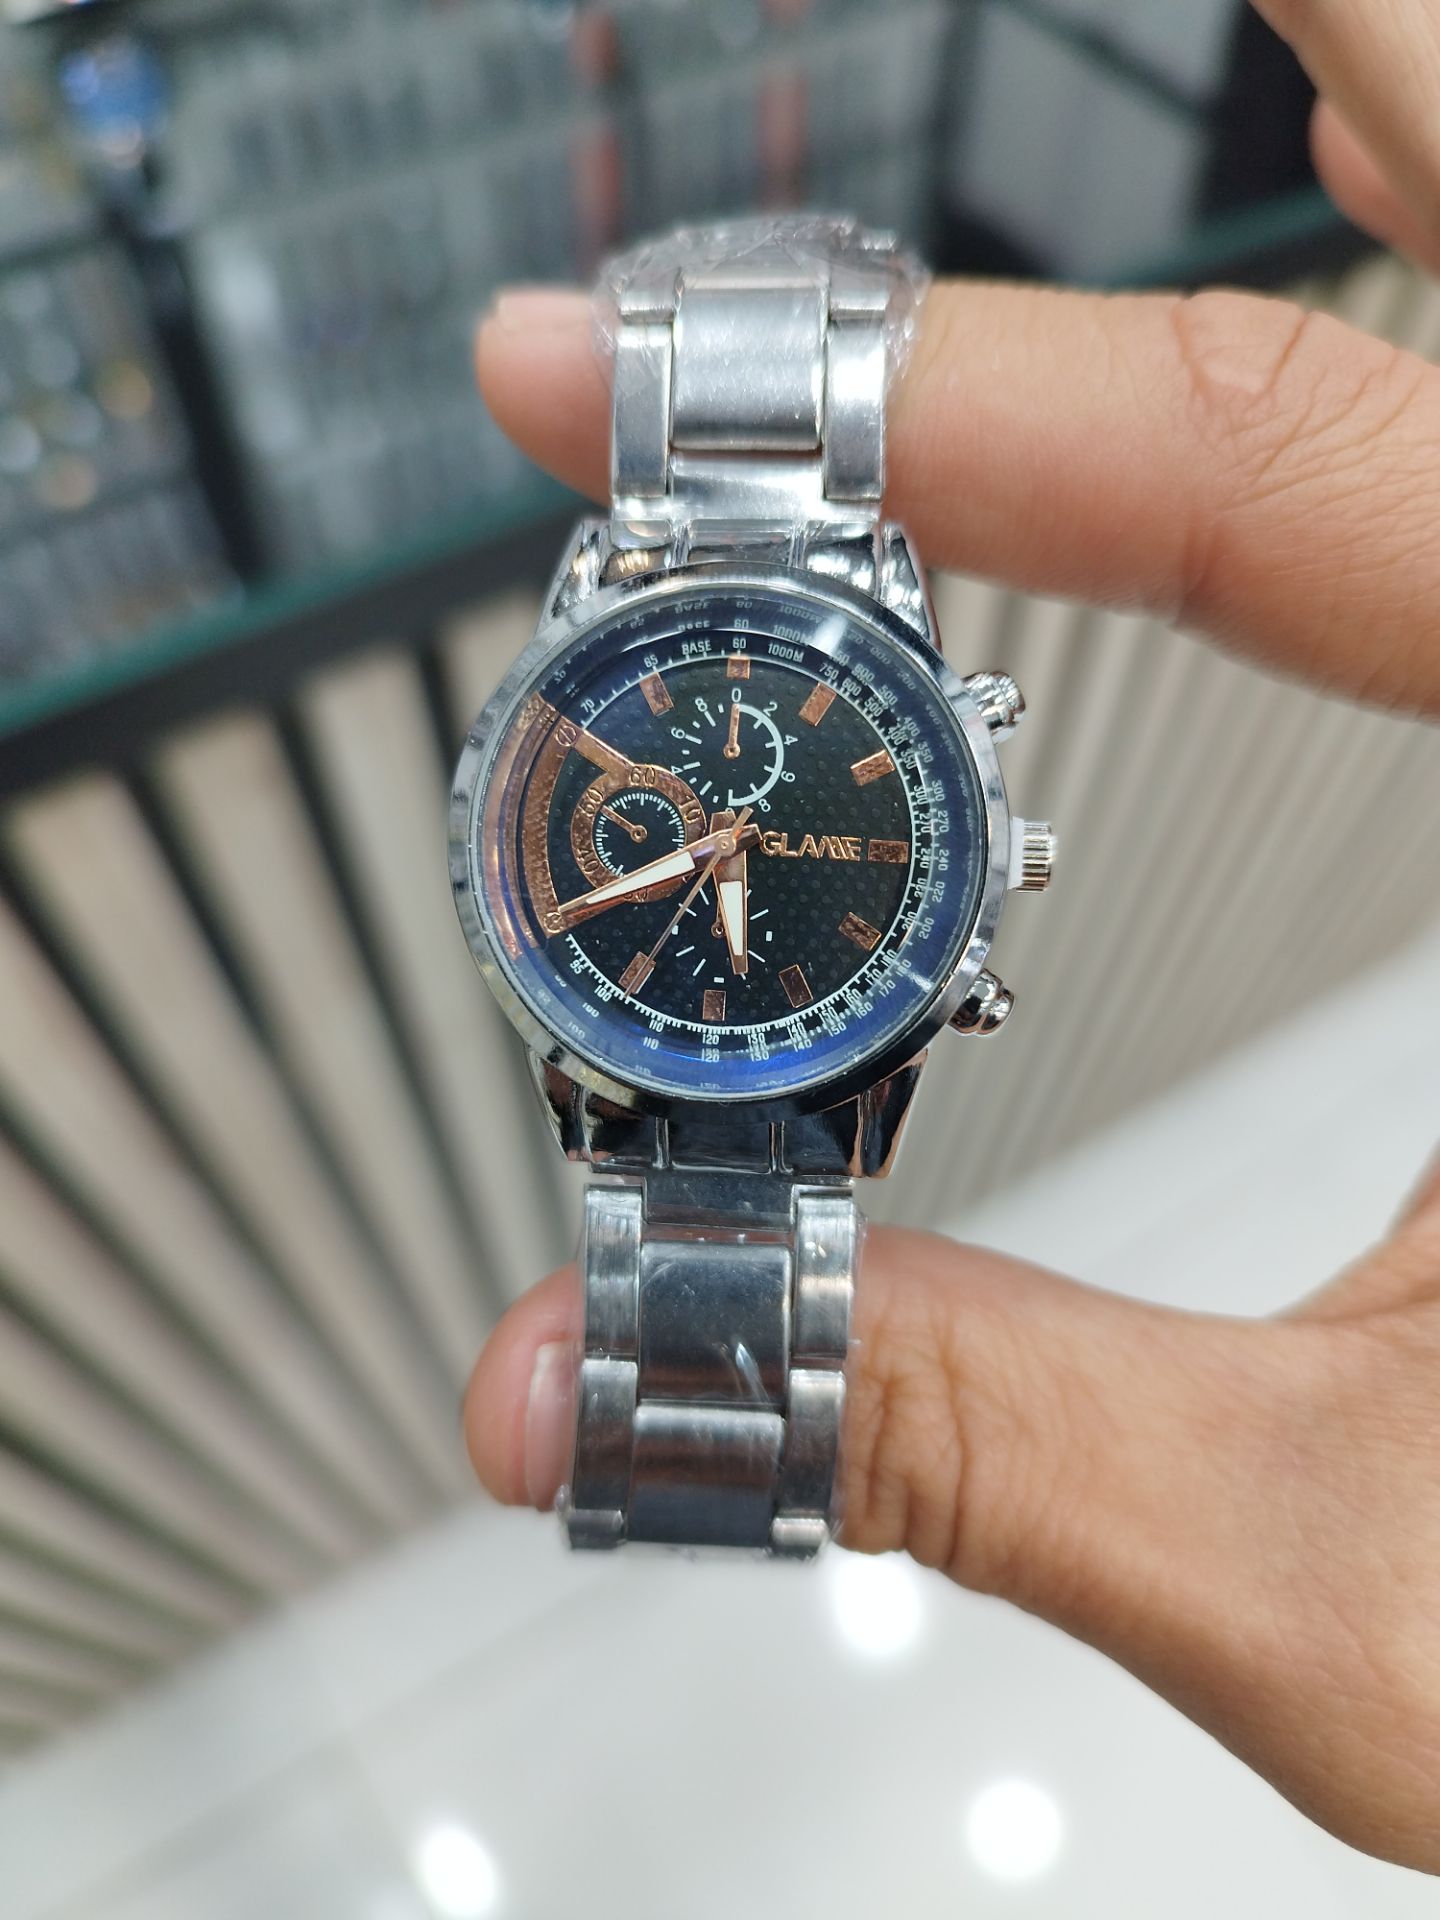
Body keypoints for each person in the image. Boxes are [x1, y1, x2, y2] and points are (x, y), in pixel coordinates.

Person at [464, 0, 1440, 1874]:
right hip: (643, 1022)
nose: (729, 835)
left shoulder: (833, 809)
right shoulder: (640, 754)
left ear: (987, 856)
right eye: (705, 823)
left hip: (705, 1032)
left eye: (751, 824)